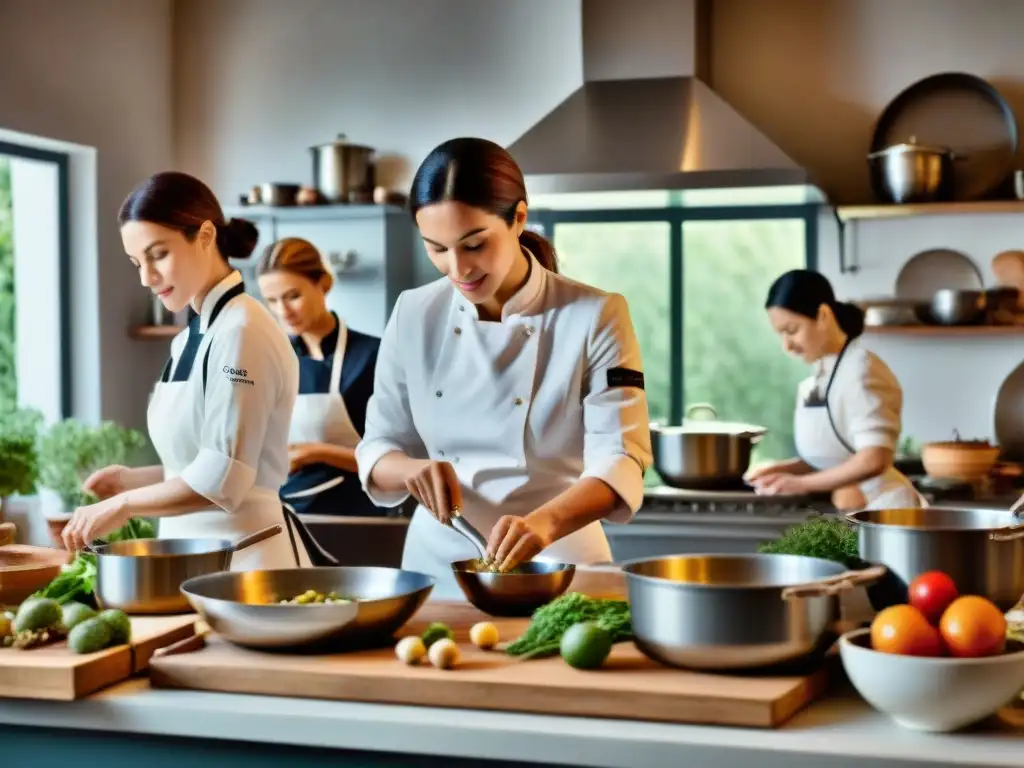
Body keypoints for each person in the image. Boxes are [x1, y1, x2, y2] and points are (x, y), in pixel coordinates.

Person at [354, 137, 653, 590]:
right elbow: (378, 446)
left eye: (474, 245)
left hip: (559, 560)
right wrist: (412, 470)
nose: (457, 268)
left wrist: (546, 523)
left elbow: (621, 458)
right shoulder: (413, 313)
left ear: (518, 218)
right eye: (436, 248)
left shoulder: (595, 314)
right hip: (437, 566)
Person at [62, 171, 331, 567]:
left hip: (247, 565)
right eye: (137, 262)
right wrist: (131, 480)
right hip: (193, 558)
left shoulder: (243, 331)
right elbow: (201, 463)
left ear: (205, 236)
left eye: (158, 254)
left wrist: (124, 505)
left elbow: (223, 480)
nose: (146, 277)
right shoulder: (192, 336)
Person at [745, 269, 924, 509]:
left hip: (882, 509)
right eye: (781, 335)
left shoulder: (863, 370)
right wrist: (785, 470)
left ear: (823, 316)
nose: (787, 346)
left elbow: (875, 458)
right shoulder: (820, 375)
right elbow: (834, 457)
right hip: (846, 510)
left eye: (792, 330)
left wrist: (802, 484)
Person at [256, 237, 382, 517]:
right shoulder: (273, 359)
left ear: (324, 284)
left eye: (292, 296)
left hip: (355, 516)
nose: (282, 312)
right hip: (284, 514)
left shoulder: (373, 356)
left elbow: (398, 461)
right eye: (272, 300)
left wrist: (317, 452)